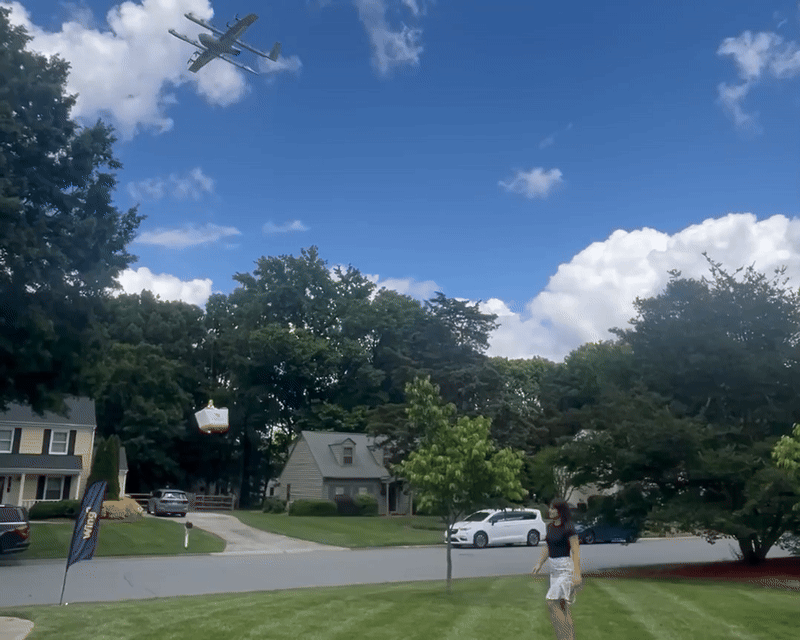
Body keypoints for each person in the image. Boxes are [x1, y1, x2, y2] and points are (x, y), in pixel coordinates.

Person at [532, 499, 582, 640]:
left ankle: (563, 637)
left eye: (554, 508)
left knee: (551, 601)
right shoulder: (550, 527)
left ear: (561, 511)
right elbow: (548, 547)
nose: (551, 511)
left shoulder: (568, 528)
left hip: (565, 569)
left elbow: (575, 551)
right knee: (562, 605)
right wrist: (539, 563)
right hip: (554, 570)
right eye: (550, 508)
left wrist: (577, 574)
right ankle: (569, 638)